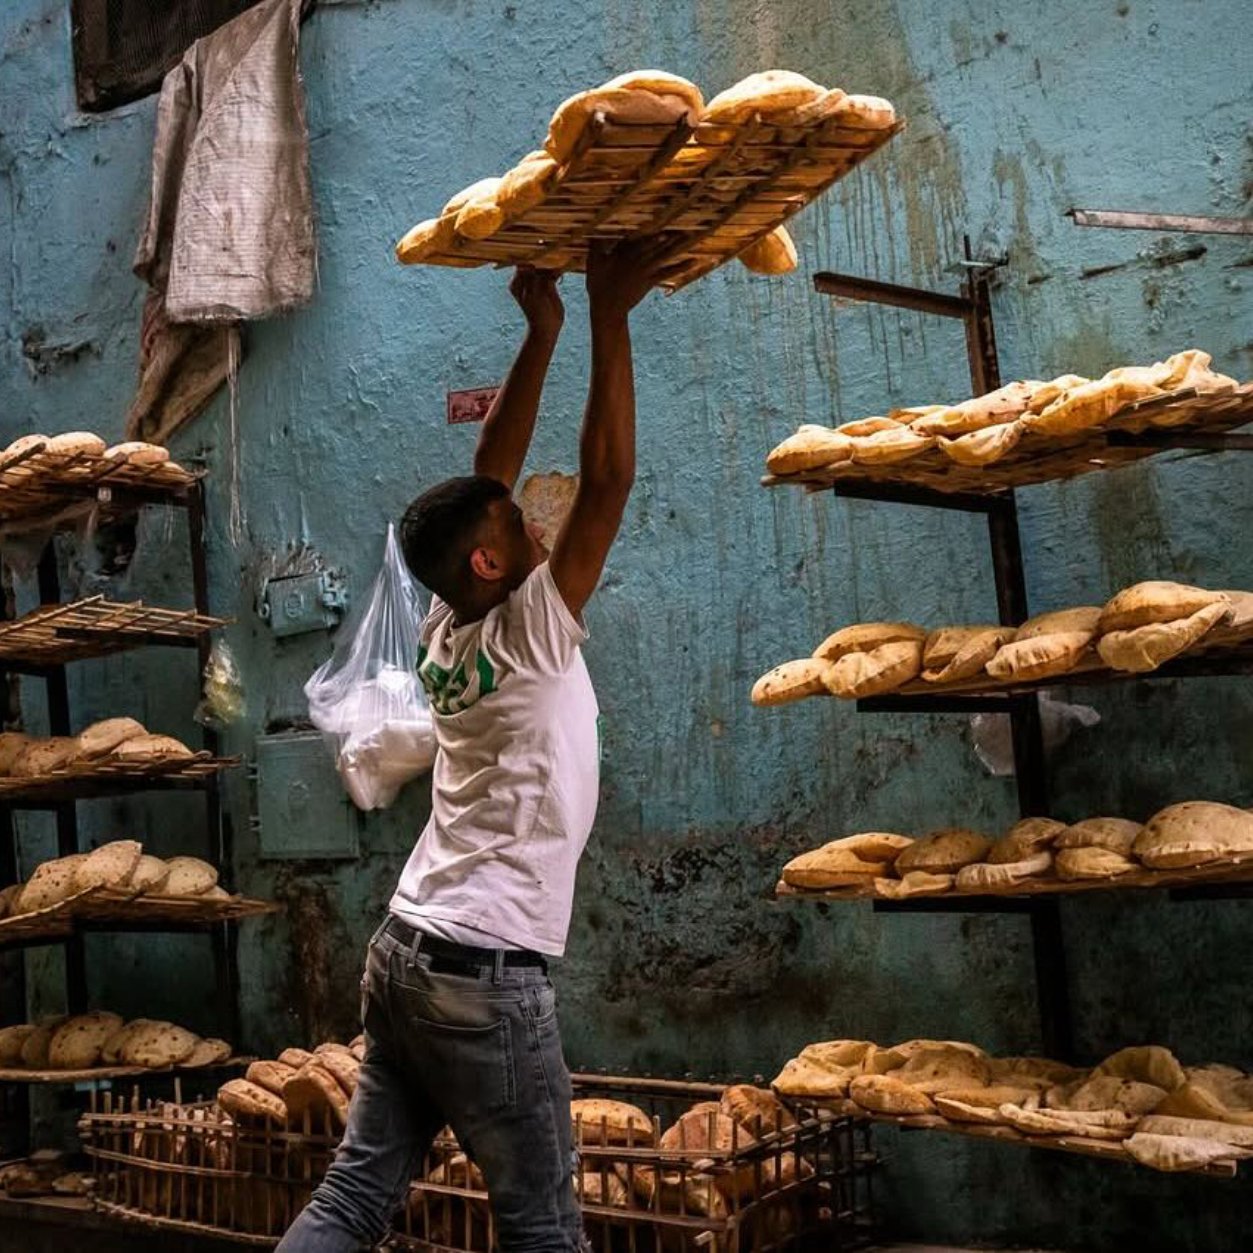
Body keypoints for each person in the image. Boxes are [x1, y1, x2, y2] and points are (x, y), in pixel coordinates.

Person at [277, 239, 669, 1252]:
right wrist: (609, 312)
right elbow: (609, 478)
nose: (539, 520)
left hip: (406, 952)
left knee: (353, 1200)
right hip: (484, 975)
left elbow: (486, 473)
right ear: (494, 559)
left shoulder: (450, 623)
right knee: (543, 1227)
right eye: (518, 524)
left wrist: (539, 334)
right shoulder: (532, 628)